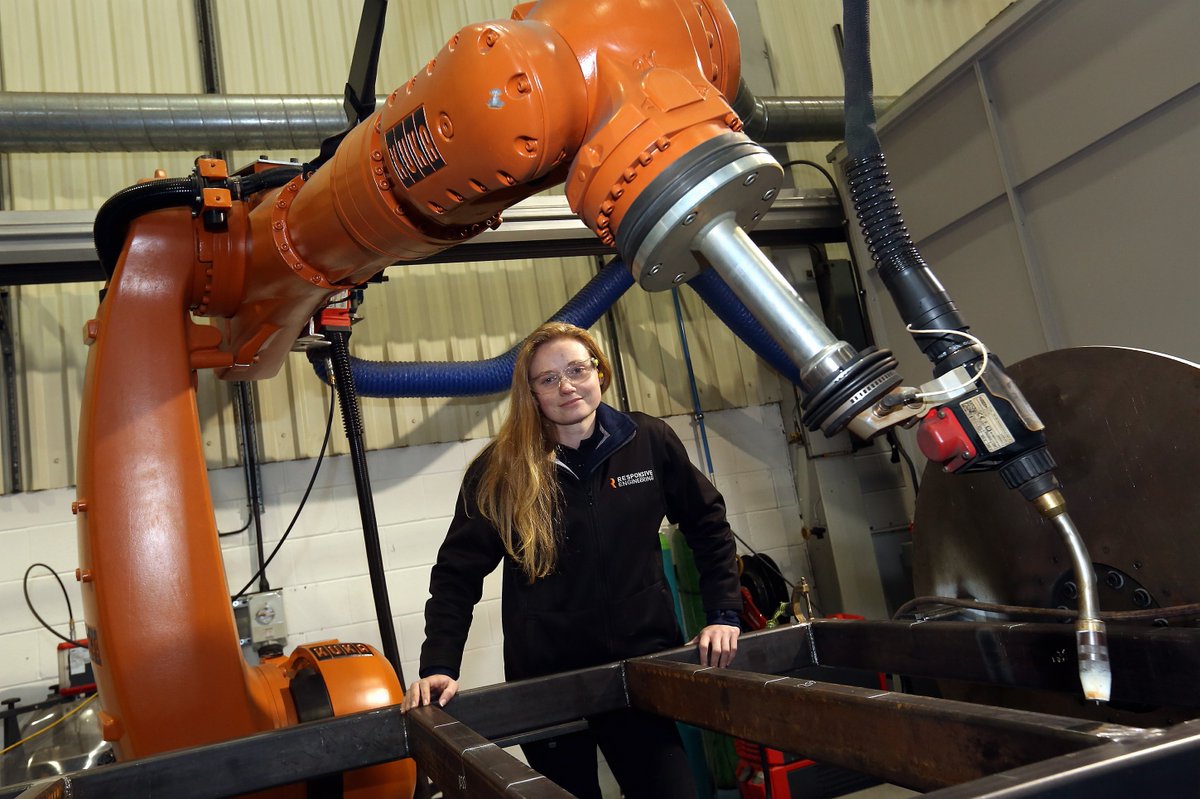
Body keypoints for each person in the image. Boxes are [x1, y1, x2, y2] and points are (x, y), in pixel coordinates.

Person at [401, 321, 742, 799]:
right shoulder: (500, 471)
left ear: (598, 372)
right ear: (531, 393)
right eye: (548, 378)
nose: (566, 386)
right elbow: (456, 576)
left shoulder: (648, 441)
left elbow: (708, 524)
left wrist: (723, 614)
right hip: (548, 683)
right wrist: (439, 664)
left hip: (641, 671)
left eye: (576, 369)